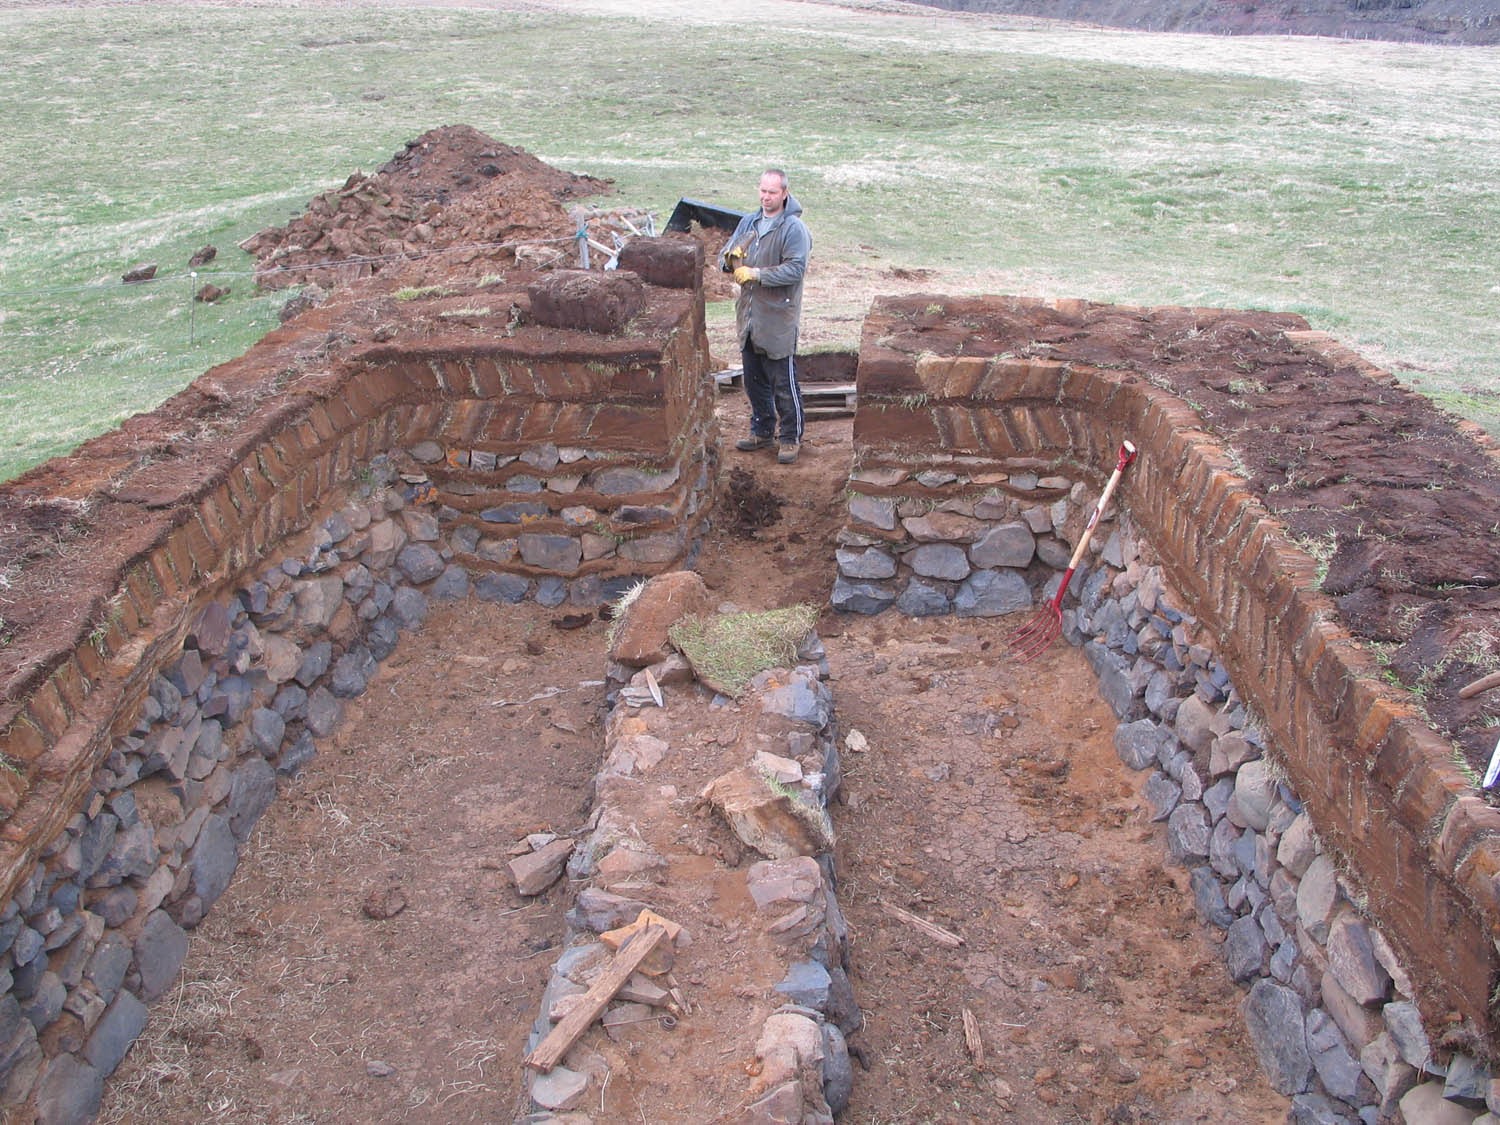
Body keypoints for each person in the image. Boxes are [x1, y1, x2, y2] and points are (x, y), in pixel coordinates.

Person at [719, 168, 812, 464]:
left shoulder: (793, 229)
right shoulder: (749, 222)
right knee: (754, 380)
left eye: (772, 192)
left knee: (783, 383)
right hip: (749, 316)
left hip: (777, 318)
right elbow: (727, 256)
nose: (766, 197)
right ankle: (761, 431)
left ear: (784, 193)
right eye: (762, 190)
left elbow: (795, 269)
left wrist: (756, 274)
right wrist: (729, 260)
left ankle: (790, 437)